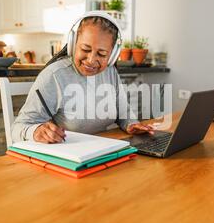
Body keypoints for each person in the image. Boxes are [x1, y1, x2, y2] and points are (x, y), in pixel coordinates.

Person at [11, 11, 155, 144]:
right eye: (85, 49)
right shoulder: (54, 75)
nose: (91, 60)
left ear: (112, 55)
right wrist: (35, 131)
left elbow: (124, 113)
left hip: (102, 151)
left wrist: (131, 124)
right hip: (67, 159)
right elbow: (18, 128)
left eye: (102, 54)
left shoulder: (110, 72)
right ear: (73, 44)